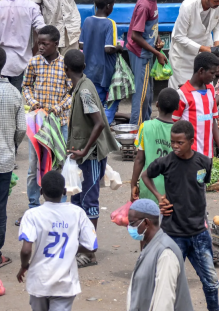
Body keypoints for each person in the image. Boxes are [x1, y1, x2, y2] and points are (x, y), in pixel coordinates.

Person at [141, 120, 219, 311]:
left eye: (180, 143)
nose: (175, 146)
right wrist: (159, 196)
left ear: (191, 141)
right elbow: (145, 175)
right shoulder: (166, 162)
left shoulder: (204, 162)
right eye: (172, 142)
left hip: (199, 233)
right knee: (168, 284)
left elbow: (201, 185)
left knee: (211, 282)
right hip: (173, 235)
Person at [63, 49, 119, 267]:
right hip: (82, 155)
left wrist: (85, 150)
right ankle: (81, 246)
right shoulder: (80, 87)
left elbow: (99, 123)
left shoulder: (85, 91)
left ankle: (90, 251)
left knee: (89, 202)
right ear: (84, 67)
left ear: (65, 69)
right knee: (77, 201)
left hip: (90, 156)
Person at [17, 171, 98, 311]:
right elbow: (91, 246)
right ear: (65, 191)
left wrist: (24, 266)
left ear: (41, 191)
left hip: (39, 280)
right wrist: (70, 247)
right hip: (65, 282)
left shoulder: (32, 215)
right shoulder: (77, 212)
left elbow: (26, 250)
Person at [22, 25, 72, 211]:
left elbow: (71, 92)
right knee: (34, 165)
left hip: (60, 123)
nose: (40, 47)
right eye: (38, 43)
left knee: (59, 162)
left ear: (56, 44)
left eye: (45, 44)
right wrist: (33, 102)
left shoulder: (65, 64)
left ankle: (59, 206)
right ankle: (34, 205)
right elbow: (26, 86)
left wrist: (57, 108)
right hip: (37, 123)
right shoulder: (34, 62)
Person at [126, 199, 194, 311]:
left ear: (146, 222)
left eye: (132, 223)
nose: (129, 227)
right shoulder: (149, 247)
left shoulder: (166, 252)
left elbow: (164, 303)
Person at [173, 52, 219, 170]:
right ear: (201, 71)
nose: (214, 77)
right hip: (188, 157)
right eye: (212, 73)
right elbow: (172, 125)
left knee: (202, 186)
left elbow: (214, 121)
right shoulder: (182, 94)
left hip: (208, 156)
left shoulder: (211, 89)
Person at [0, 47, 27, 269]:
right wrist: (11, 143)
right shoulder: (14, 94)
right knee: (1, 207)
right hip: (4, 160)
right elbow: (21, 129)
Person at [79, 0, 123, 125]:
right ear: (108, 6)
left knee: (92, 101)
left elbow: (81, 44)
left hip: (88, 69)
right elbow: (109, 48)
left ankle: (95, 125)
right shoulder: (110, 23)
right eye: (113, 6)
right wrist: (119, 48)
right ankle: (104, 125)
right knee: (112, 98)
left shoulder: (87, 20)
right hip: (104, 70)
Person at [131, 88, 179, 203]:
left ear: (157, 104)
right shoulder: (179, 131)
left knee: (149, 218)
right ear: (177, 108)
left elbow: (139, 159)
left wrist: (133, 184)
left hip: (148, 185)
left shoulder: (145, 126)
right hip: (172, 189)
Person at [169, 0, 219, 89]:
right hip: (184, 56)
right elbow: (179, 36)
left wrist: (217, 43)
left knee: (205, 92)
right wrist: (204, 49)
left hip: (206, 53)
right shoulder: (188, 5)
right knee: (182, 94)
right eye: (216, 1)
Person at [126, 0, 166, 125]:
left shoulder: (152, 2)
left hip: (146, 53)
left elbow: (150, 26)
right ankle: (135, 130)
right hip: (140, 53)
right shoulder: (144, 6)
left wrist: (157, 39)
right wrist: (157, 53)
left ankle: (146, 125)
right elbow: (135, 36)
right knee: (141, 95)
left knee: (148, 93)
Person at [0, 0, 45, 92]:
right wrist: (37, 50)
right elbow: (42, 30)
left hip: (2, 60)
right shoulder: (31, 6)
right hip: (20, 62)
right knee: (15, 97)